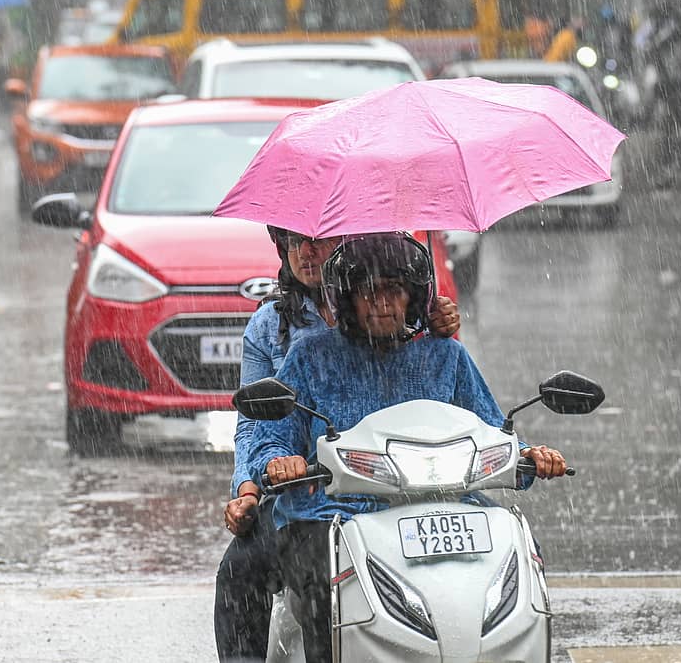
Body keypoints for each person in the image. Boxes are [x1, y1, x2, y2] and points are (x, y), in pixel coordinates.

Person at [248, 232, 568, 663]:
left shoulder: (446, 357)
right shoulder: (309, 357)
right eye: (368, 293)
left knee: (517, 549)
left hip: (445, 503)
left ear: (413, 299)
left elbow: (493, 430)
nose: (382, 303)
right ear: (347, 301)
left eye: (393, 291)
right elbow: (270, 436)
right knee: (318, 580)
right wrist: (277, 462)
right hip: (333, 511)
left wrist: (529, 458)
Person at [213, 228, 460, 662]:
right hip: (310, 493)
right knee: (242, 570)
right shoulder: (281, 333)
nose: (306, 252)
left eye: (319, 240)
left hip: (412, 485)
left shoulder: (422, 330)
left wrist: (431, 325)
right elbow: (258, 425)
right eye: (294, 243)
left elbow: (465, 412)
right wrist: (251, 487)